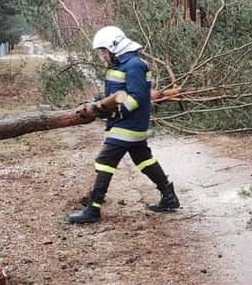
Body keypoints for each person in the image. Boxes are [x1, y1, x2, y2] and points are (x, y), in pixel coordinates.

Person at [67, 26, 181, 224]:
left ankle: (93, 209)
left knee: (104, 161)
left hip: (127, 124)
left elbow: (137, 97)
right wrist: (99, 103)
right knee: (143, 159)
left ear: (114, 47)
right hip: (128, 123)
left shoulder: (134, 65)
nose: (103, 55)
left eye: (104, 51)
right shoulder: (121, 64)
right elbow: (116, 94)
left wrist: (115, 111)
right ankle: (169, 197)